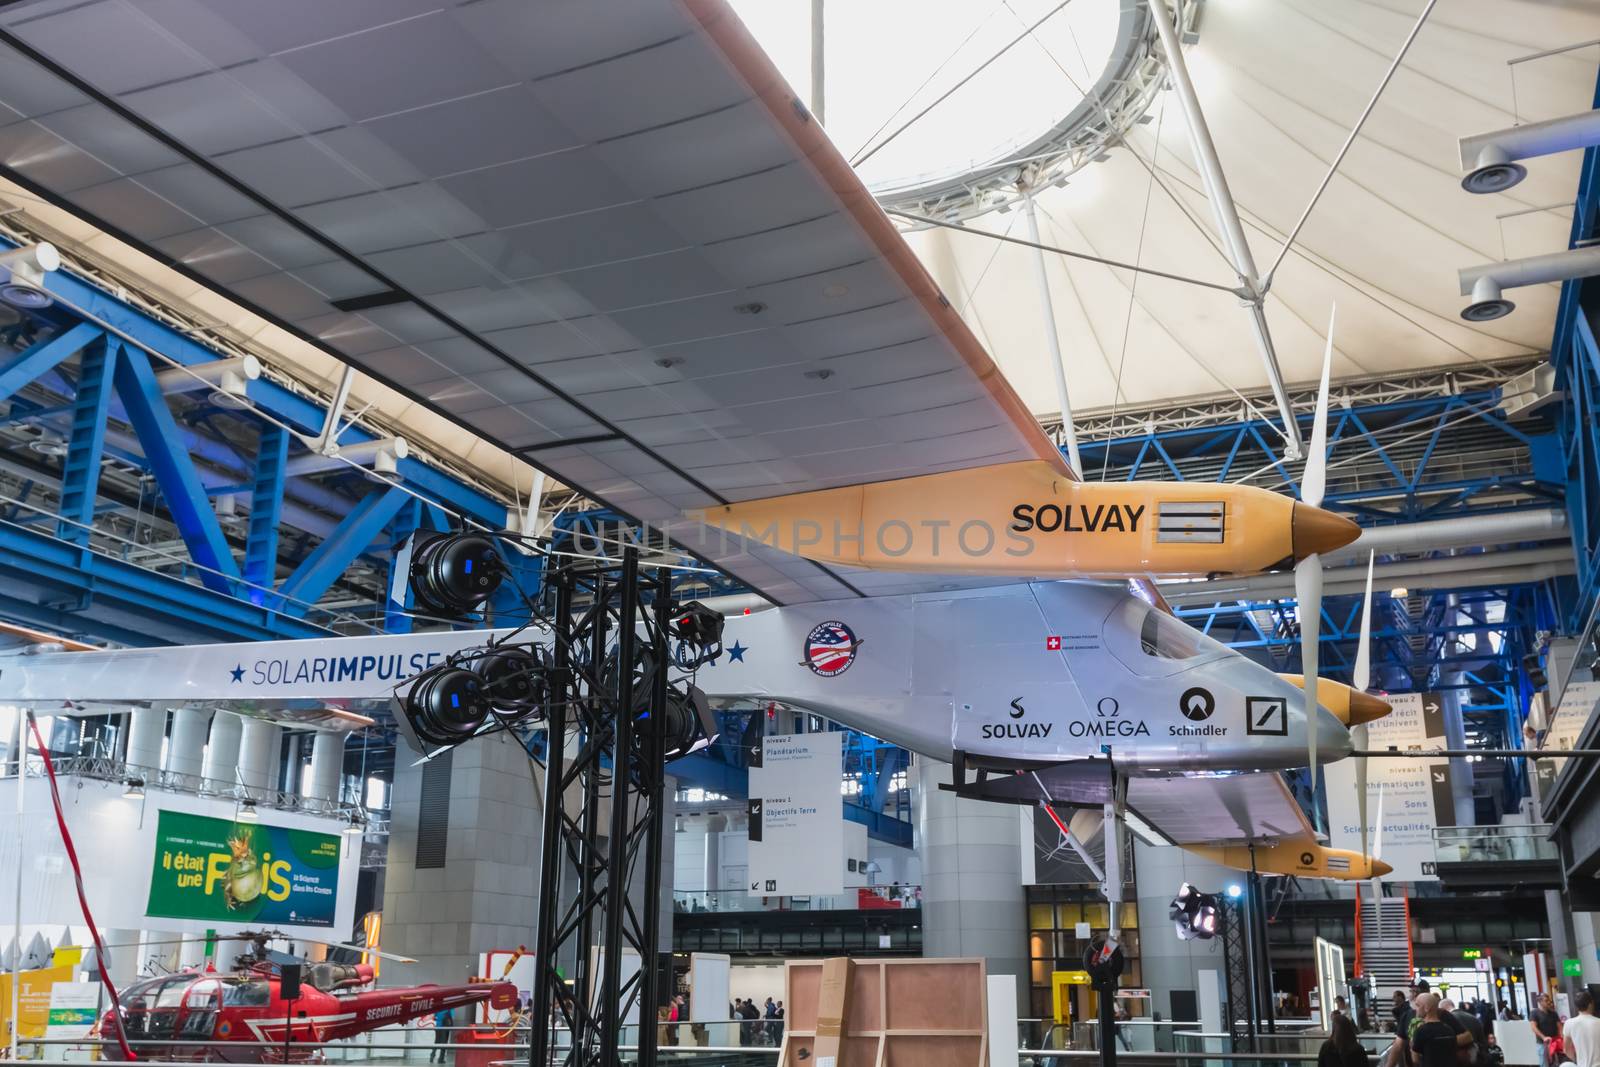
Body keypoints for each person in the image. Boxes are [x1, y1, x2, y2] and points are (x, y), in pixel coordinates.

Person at [1412, 994, 1475, 1067]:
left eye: (1417, 1005)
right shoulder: (1449, 1029)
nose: (1415, 1009)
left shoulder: (1421, 1031)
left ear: (1426, 1008)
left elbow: (1415, 1059)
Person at [1565, 990, 1600, 1067]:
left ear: (1576, 1006)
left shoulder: (1569, 1023)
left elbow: (1567, 1049)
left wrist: (1576, 1060)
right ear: (1591, 1004)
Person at [1533, 993, 1563, 1067]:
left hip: (1554, 1042)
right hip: (1542, 1043)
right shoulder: (1535, 1013)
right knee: (1544, 1063)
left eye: (1549, 1000)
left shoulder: (1553, 1013)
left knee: (1557, 1063)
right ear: (1540, 1002)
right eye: (1546, 1001)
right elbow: (1533, 1027)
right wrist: (1543, 1037)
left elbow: (1559, 1027)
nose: (1548, 1002)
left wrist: (1562, 1038)